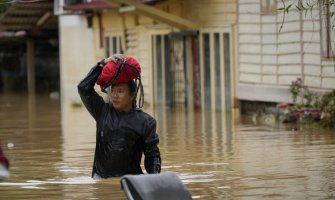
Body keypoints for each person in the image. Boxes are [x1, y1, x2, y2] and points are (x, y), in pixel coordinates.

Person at [77, 54, 161, 179]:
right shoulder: (102, 112)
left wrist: (155, 180)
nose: (115, 96)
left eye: (120, 91)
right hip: (101, 180)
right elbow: (83, 88)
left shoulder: (146, 122)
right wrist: (102, 64)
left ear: (132, 95)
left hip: (130, 181)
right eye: (113, 91)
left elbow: (152, 156)